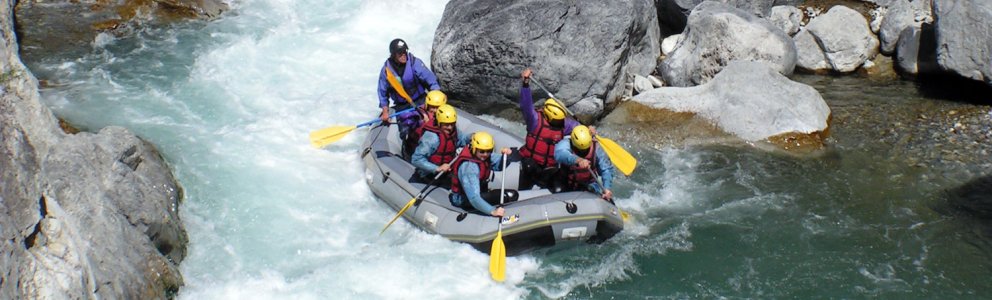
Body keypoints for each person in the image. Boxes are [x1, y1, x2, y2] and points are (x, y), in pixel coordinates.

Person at [517, 68, 581, 191]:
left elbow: (577, 127)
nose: (560, 123)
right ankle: (522, 194)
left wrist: (587, 130)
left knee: (561, 180)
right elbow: (526, 105)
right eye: (557, 121)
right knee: (529, 166)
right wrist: (525, 84)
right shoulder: (534, 120)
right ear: (548, 116)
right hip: (531, 164)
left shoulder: (563, 124)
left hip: (549, 168)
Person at [377, 38, 441, 141]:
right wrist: (385, 111)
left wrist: (435, 101)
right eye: (400, 53)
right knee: (407, 133)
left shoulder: (414, 63)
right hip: (402, 106)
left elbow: (432, 81)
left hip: (421, 100)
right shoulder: (387, 71)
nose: (403, 55)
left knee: (434, 124)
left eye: (404, 52)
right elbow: (382, 92)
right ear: (393, 55)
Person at [450, 131, 514, 217]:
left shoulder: (483, 156)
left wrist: (507, 157)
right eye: (482, 151)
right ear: (474, 148)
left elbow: (499, 166)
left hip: (478, 193)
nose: (485, 154)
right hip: (462, 199)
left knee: (512, 195)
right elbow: (474, 198)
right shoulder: (469, 168)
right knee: (508, 196)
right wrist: (492, 211)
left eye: (489, 151)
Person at [411, 104, 471, 181]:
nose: (450, 127)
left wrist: (470, 138)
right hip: (429, 174)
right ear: (439, 122)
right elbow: (416, 159)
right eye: (446, 124)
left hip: (447, 168)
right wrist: (437, 168)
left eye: (452, 123)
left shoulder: (453, 130)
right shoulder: (432, 138)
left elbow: (461, 140)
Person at [554, 125, 615, 201]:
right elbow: (559, 154)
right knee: (557, 189)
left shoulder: (597, 148)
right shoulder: (566, 143)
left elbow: (606, 169)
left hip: (589, 184)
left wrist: (607, 188)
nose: (582, 151)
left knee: (588, 190)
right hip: (566, 183)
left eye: (585, 149)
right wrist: (577, 160)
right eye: (579, 149)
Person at [404, 90, 447, 158]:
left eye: (438, 107)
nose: (435, 110)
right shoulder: (420, 114)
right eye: (432, 107)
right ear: (427, 105)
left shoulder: (445, 115)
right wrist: (415, 120)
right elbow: (415, 116)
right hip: (415, 151)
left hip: (432, 151)